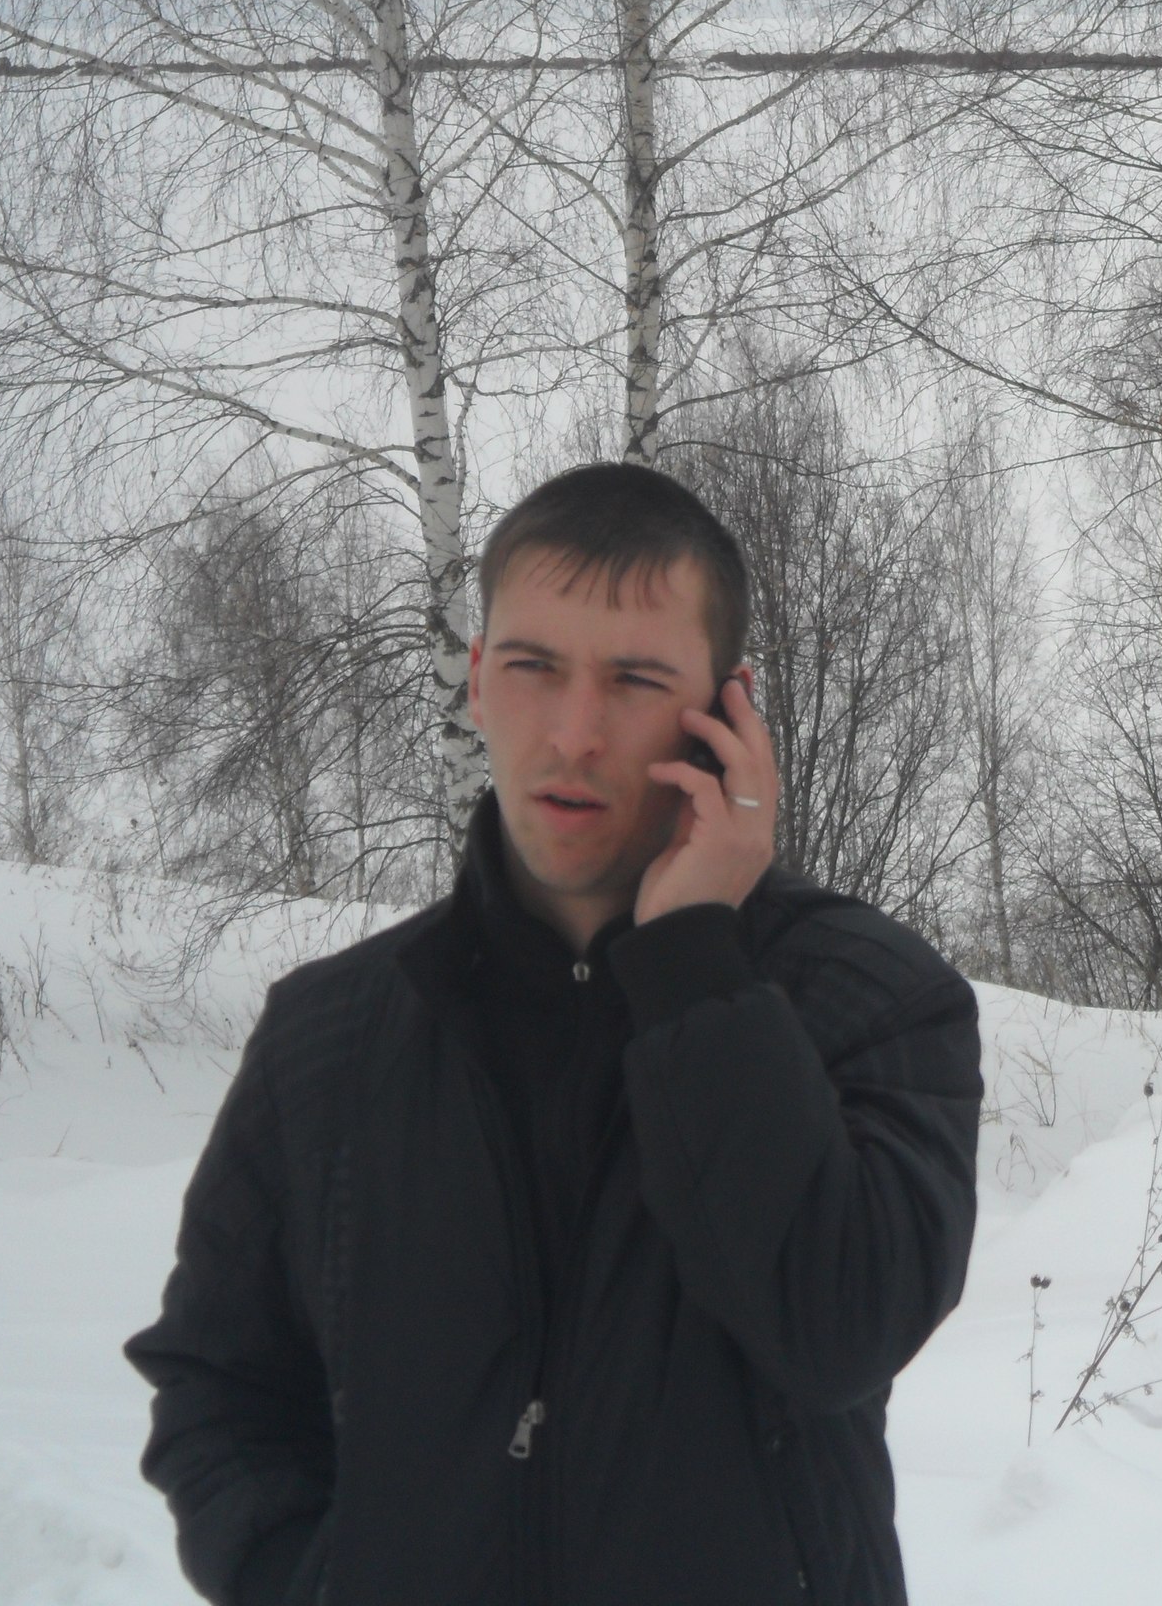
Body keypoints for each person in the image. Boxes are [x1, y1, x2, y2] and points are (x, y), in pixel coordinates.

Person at [125, 461, 983, 1606]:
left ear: (727, 711)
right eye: (533, 668)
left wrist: (695, 972)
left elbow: (839, 1331)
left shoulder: (868, 999)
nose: (574, 734)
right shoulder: (330, 1033)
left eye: (634, 679)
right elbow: (218, 1386)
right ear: (478, 680)